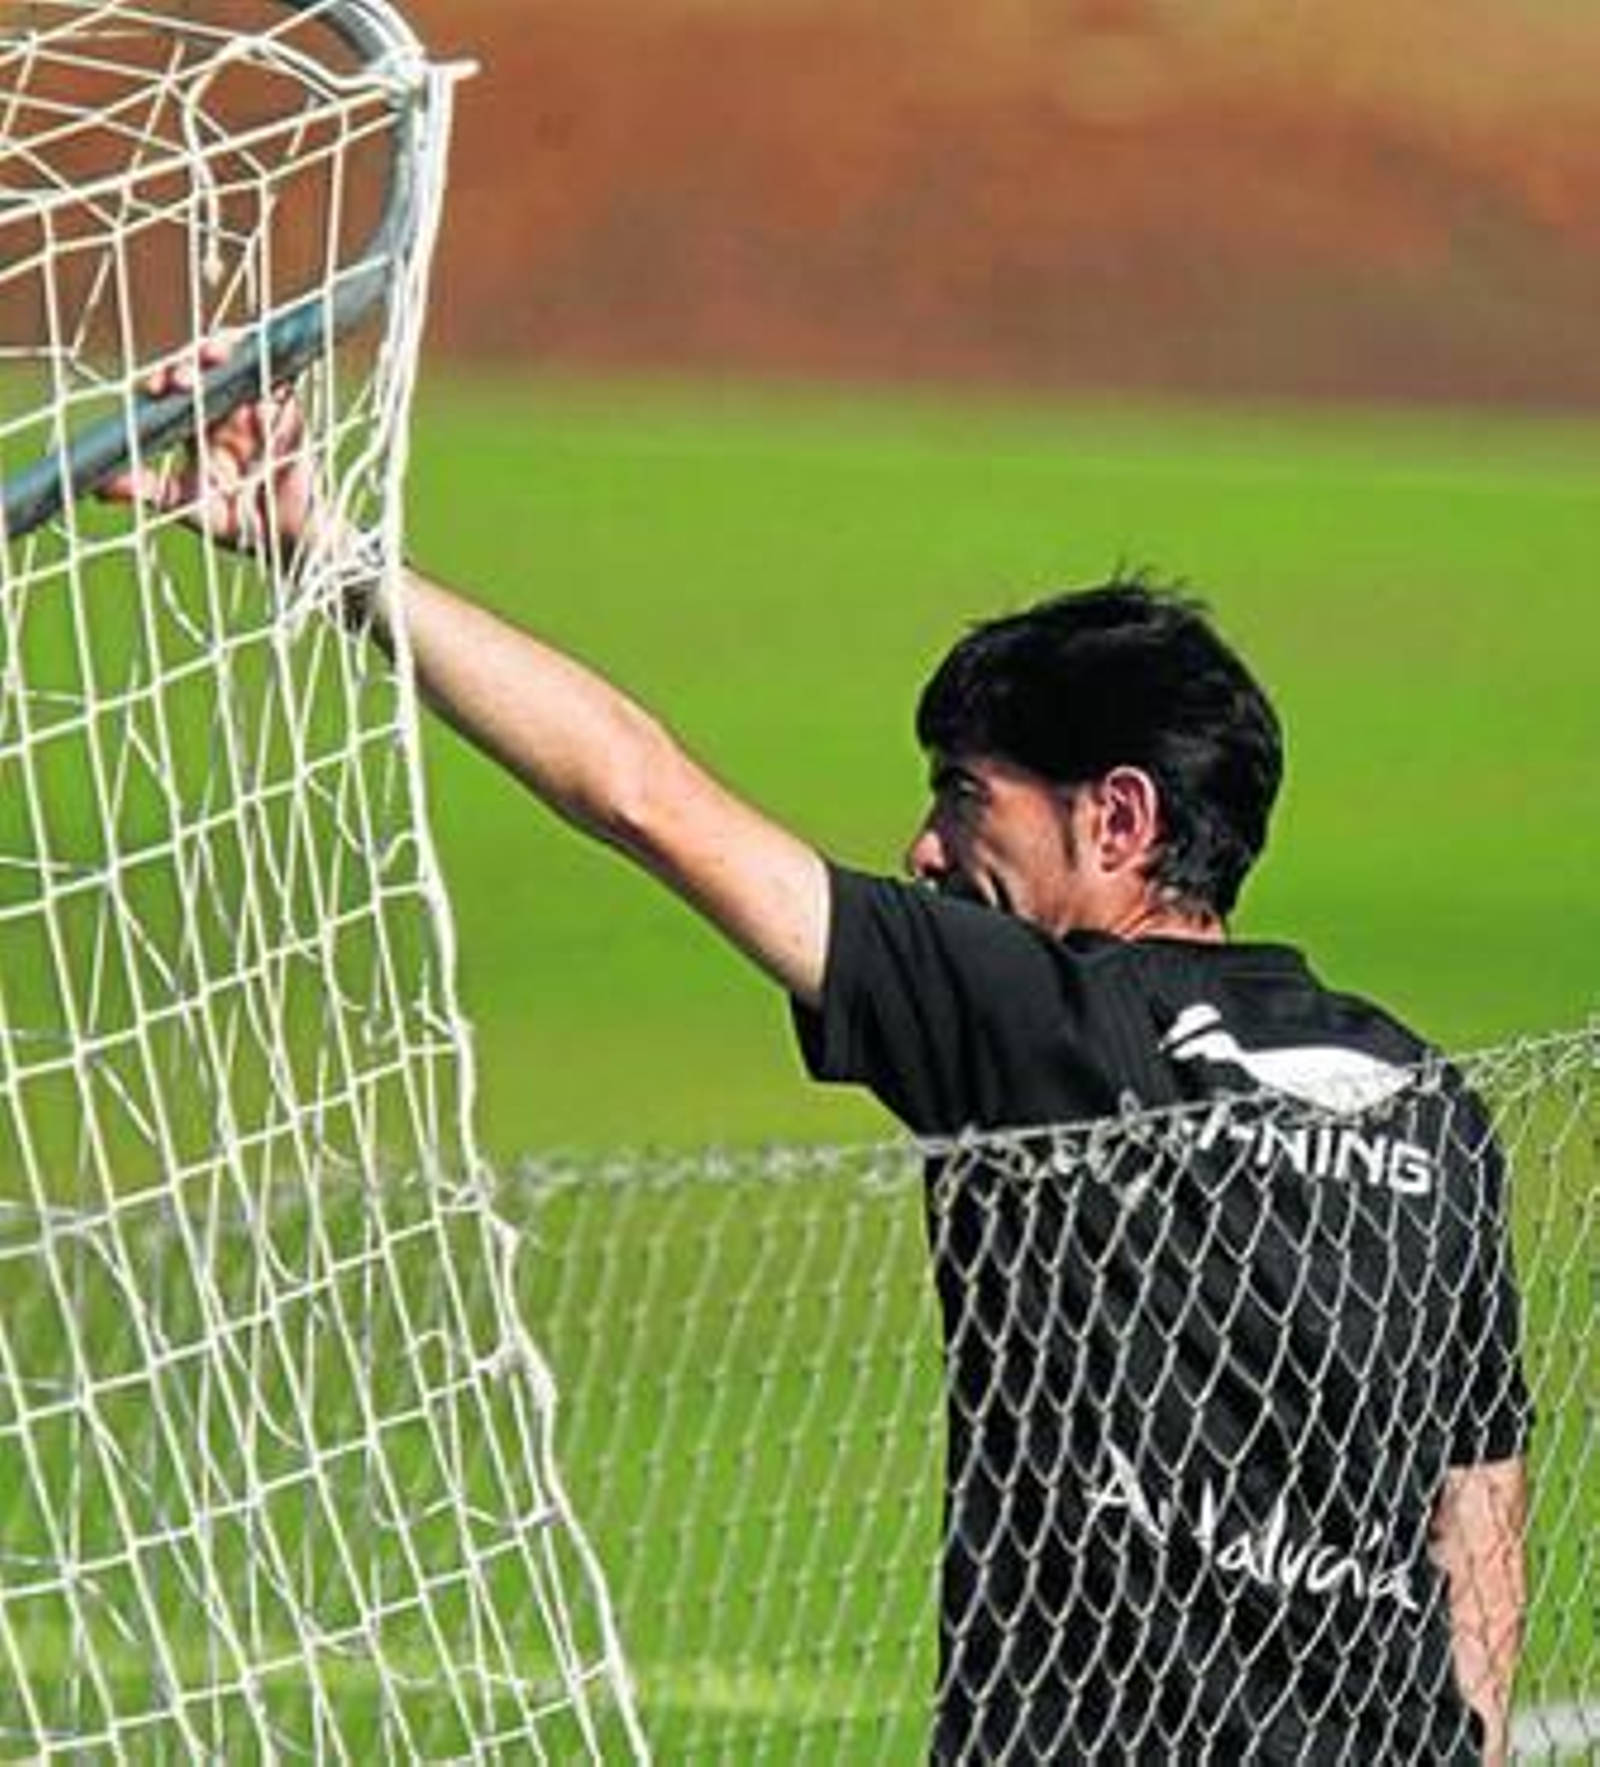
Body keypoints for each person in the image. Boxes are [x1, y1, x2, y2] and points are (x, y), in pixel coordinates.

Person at [111, 359, 1531, 1764]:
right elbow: (1481, 1491)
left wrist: (330, 555)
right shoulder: (1429, 1096)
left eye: (966, 797)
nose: (925, 849)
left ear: (1118, 821)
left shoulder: (1033, 1020)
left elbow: (640, 796)